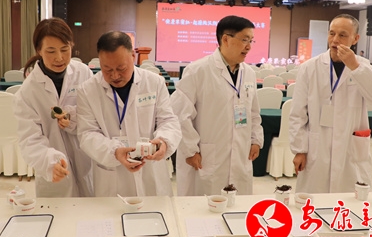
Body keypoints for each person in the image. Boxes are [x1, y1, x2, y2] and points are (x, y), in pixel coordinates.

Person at [289, 14, 372, 193]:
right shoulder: (310, 68)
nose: (335, 40)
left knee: (349, 201)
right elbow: (298, 113)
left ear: (355, 39)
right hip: (317, 146)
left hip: (350, 146)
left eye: (342, 35)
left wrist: (355, 67)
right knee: (314, 199)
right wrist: (299, 150)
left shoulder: (363, 66)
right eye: (332, 33)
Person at [77, 31, 181, 197]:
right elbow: (87, 134)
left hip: (150, 170)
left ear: (133, 56)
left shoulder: (154, 82)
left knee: (155, 211)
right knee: (114, 212)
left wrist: (164, 141)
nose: (115, 75)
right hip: (112, 177)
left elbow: (168, 120)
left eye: (121, 68)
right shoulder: (87, 90)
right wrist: (114, 152)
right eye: (107, 69)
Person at [170, 15, 264, 196]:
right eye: (244, 40)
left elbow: (253, 112)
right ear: (226, 39)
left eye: (251, 41)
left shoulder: (249, 73)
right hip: (206, 155)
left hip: (241, 152)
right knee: (204, 205)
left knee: (237, 204)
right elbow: (180, 115)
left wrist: (255, 140)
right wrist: (190, 150)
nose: (249, 46)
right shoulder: (198, 70)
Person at [14, 18, 94, 197]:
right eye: (51, 51)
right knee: (58, 212)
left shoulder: (83, 74)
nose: (59, 58)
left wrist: (73, 119)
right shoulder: (28, 91)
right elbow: (29, 139)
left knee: (90, 209)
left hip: (86, 161)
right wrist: (49, 162)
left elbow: (95, 115)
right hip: (55, 170)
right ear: (39, 50)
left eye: (65, 49)